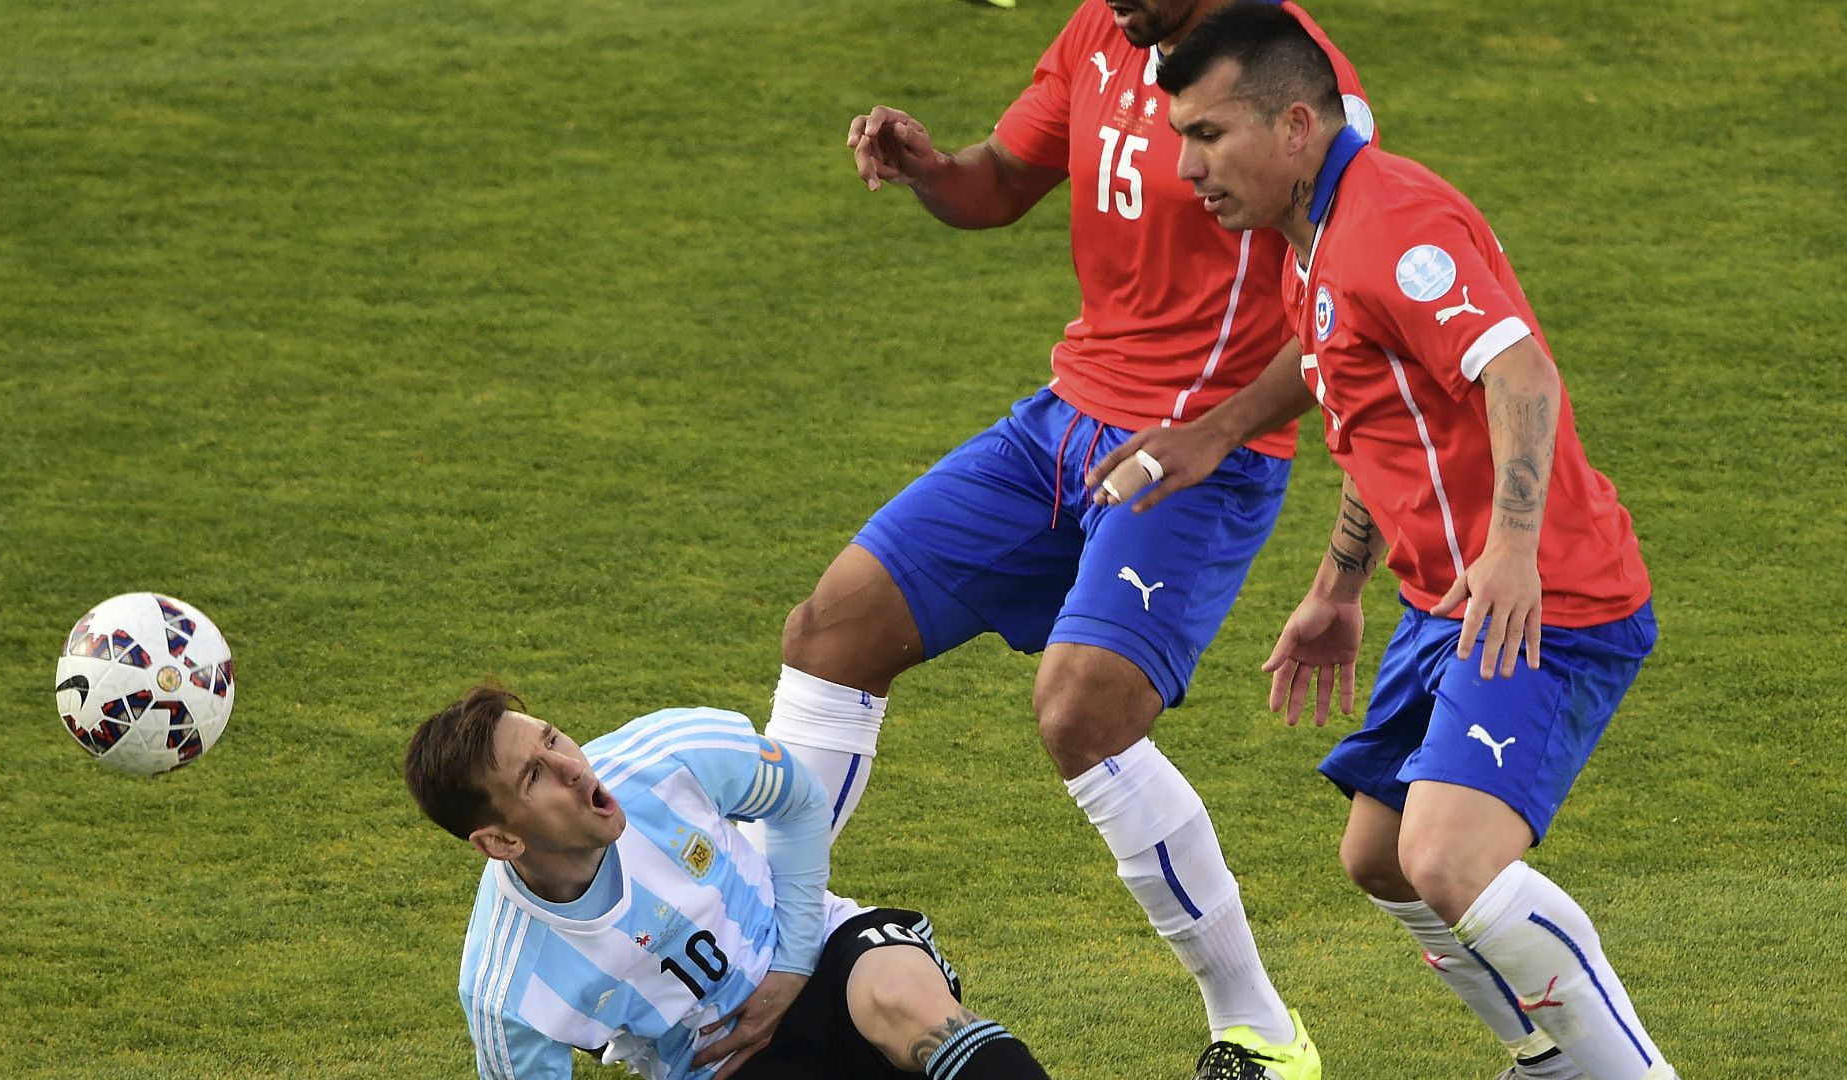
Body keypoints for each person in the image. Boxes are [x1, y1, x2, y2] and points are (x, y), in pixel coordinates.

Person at [768, 3, 1374, 1075]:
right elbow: (998, 181)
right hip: (1064, 423)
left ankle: (1264, 1033)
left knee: (1082, 712)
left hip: (1203, 456)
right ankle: (758, 952)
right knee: (831, 630)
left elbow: (1347, 301)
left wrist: (1217, 430)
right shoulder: (1098, 30)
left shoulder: (1296, 83)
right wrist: (927, 166)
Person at [1088, 6, 1679, 1078]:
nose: (1187, 169)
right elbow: (1349, 383)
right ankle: (1546, 1062)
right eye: (1182, 137)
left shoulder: (1396, 226)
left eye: (1210, 136)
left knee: (1444, 857)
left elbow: (1522, 375)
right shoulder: (1306, 234)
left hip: (1545, 594)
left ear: (1296, 126)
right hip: (1441, 601)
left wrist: (1509, 548)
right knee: (1380, 861)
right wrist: (1335, 582)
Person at [403, 685, 1052, 1080]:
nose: (570, 766)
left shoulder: (668, 755)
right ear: (501, 842)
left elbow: (797, 797)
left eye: (551, 739)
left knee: (913, 1007)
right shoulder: (508, 987)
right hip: (723, 1062)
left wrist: (793, 965)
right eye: (533, 777)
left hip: (827, 952)